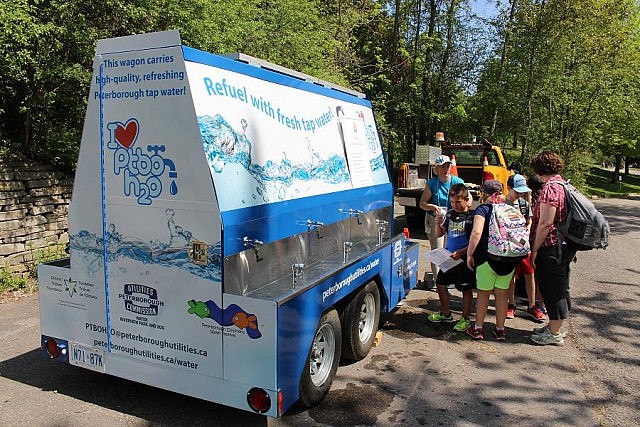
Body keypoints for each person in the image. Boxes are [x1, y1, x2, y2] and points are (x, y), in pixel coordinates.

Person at [529, 151, 577, 346]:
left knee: (552, 288)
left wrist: (535, 249)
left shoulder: (550, 188)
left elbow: (546, 223)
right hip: (563, 246)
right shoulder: (563, 184)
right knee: (560, 285)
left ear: (540, 169)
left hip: (551, 246)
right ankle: (555, 326)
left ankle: (554, 333)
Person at [465, 180, 520, 341]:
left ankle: (478, 328)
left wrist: (470, 254)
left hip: (486, 258)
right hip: (508, 258)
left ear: (483, 193)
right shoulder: (510, 209)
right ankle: (500, 330)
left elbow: (476, 232)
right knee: (502, 295)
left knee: (483, 294)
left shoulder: (483, 209)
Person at [427, 184, 476, 332]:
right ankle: (446, 313)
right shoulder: (449, 214)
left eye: (458, 202)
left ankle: (465, 318)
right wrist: (437, 224)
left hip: (464, 259)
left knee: (465, 289)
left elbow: (476, 241)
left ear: (467, 200)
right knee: (441, 284)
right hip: (449, 257)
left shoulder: (472, 217)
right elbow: (440, 234)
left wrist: (462, 252)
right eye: (453, 202)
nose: (455, 205)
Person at [504, 174, 545, 322]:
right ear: (509, 188)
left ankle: (532, 305)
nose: (520, 194)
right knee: (510, 275)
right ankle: (511, 304)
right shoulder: (501, 203)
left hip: (523, 245)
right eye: (517, 191)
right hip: (507, 246)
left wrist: (526, 232)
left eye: (522, 191)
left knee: (529, 273)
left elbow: (529, 221)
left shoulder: (524, 204)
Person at [419, 155, 465, 284]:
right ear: (437, 169)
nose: (446, 169)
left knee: (450, 250)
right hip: (435, 220)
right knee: (437, 251)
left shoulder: (457, 182)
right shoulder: (432, 183)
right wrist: (432, 206)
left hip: (452, 221)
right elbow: (422, 203)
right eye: (443, 167)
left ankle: (449, 279)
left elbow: (468, 199)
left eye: (448, 166)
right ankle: (438, 281)